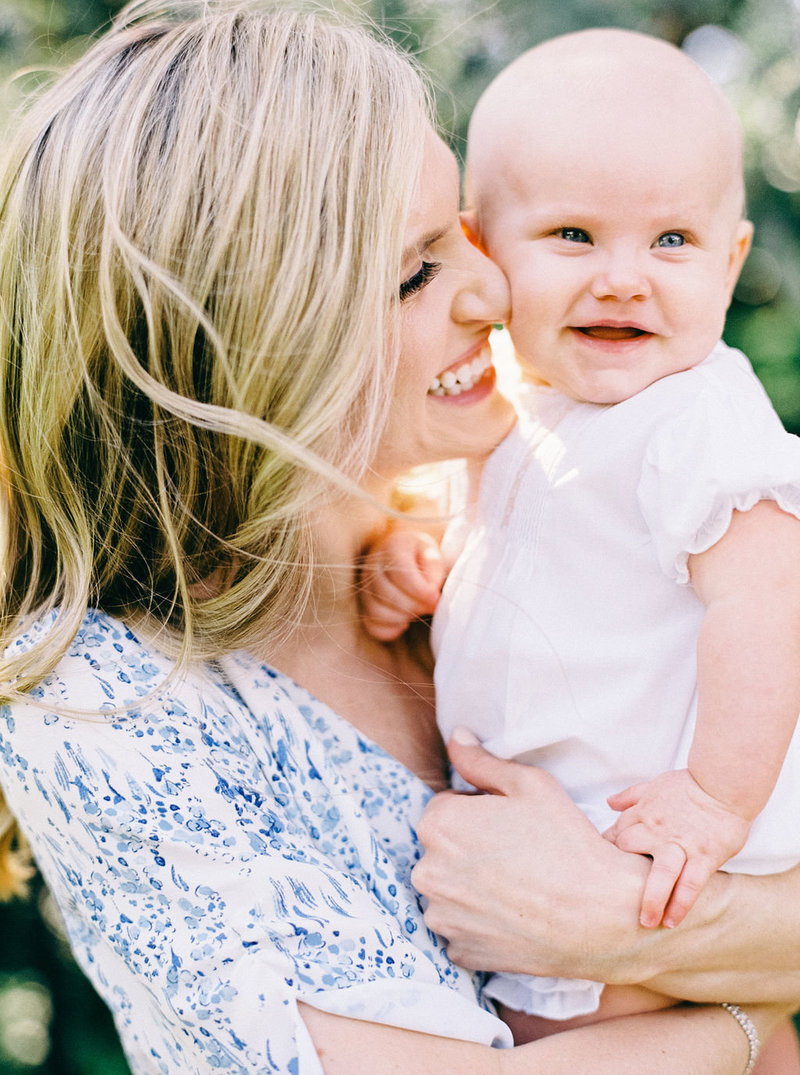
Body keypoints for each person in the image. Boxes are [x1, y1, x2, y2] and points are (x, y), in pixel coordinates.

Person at [0, 4, 796, 1072]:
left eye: (466, 235)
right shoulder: (105, 699)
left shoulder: (526, 504)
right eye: (418, 270)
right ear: (251, 345)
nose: (490, 289)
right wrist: (741, 1023)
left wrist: (620, 929)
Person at [360, 26, 800, 1059]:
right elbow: (512, 550)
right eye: (569, 235)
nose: (621, 279)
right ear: (483, 247)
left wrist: (711, 800)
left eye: (670, 243)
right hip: (550, 867)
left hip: (652, 842)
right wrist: (415, 556)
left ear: (728, 261)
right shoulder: (525, 407)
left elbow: (770, 601)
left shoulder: (695, 419)